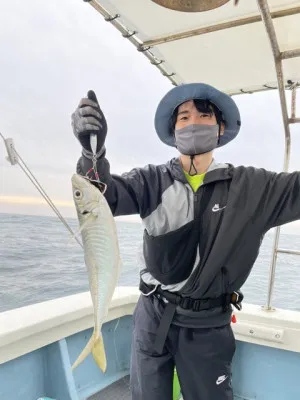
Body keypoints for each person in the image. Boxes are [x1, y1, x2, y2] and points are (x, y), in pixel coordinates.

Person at [71, 83, 300, 400]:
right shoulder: (151, 181)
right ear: (173, 130)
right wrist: (91, 153)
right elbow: (102, 196)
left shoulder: (254, 187)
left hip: (208, 325)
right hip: (153, 314)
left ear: (220, 128)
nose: (193, 122)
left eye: (204, 115)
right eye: (183, 117)